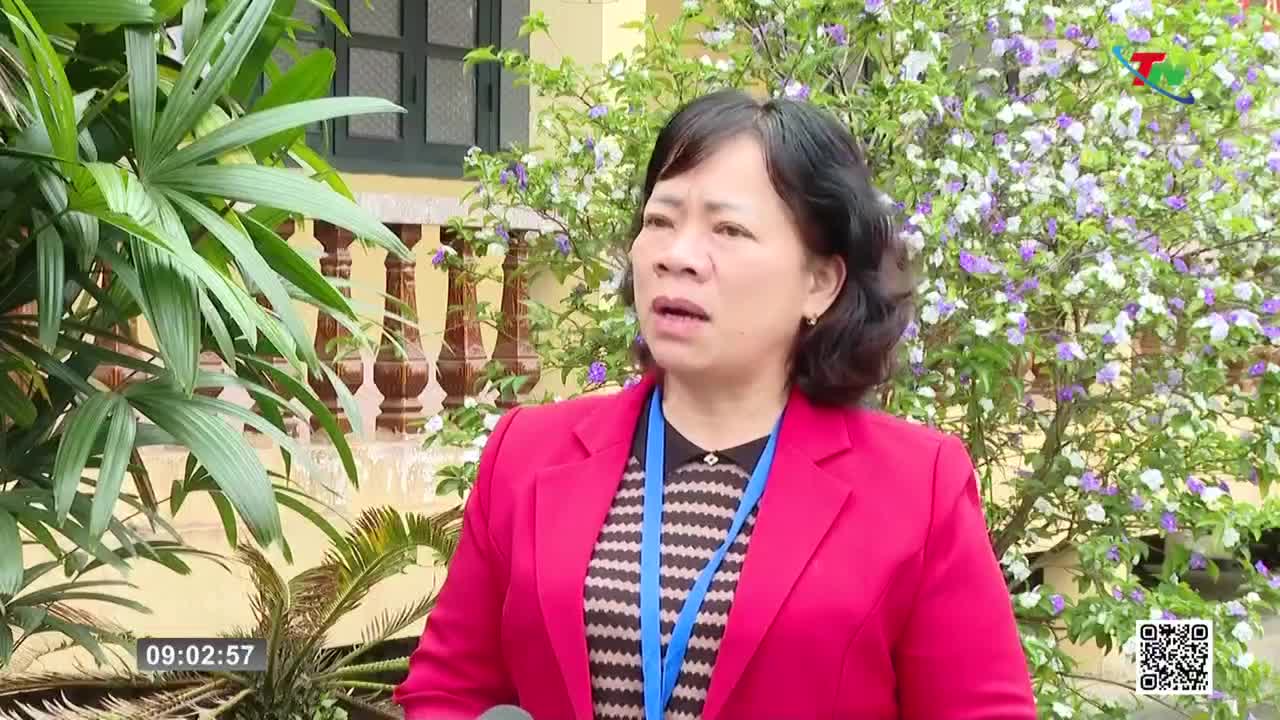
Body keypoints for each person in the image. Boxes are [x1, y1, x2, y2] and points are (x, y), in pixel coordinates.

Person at [393, 89, 1037, 720]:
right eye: (660, 221)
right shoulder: (528, 452)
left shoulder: (918, 486)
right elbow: (446, 692)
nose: (678, 256)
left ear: (820, 282)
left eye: (728, 229)